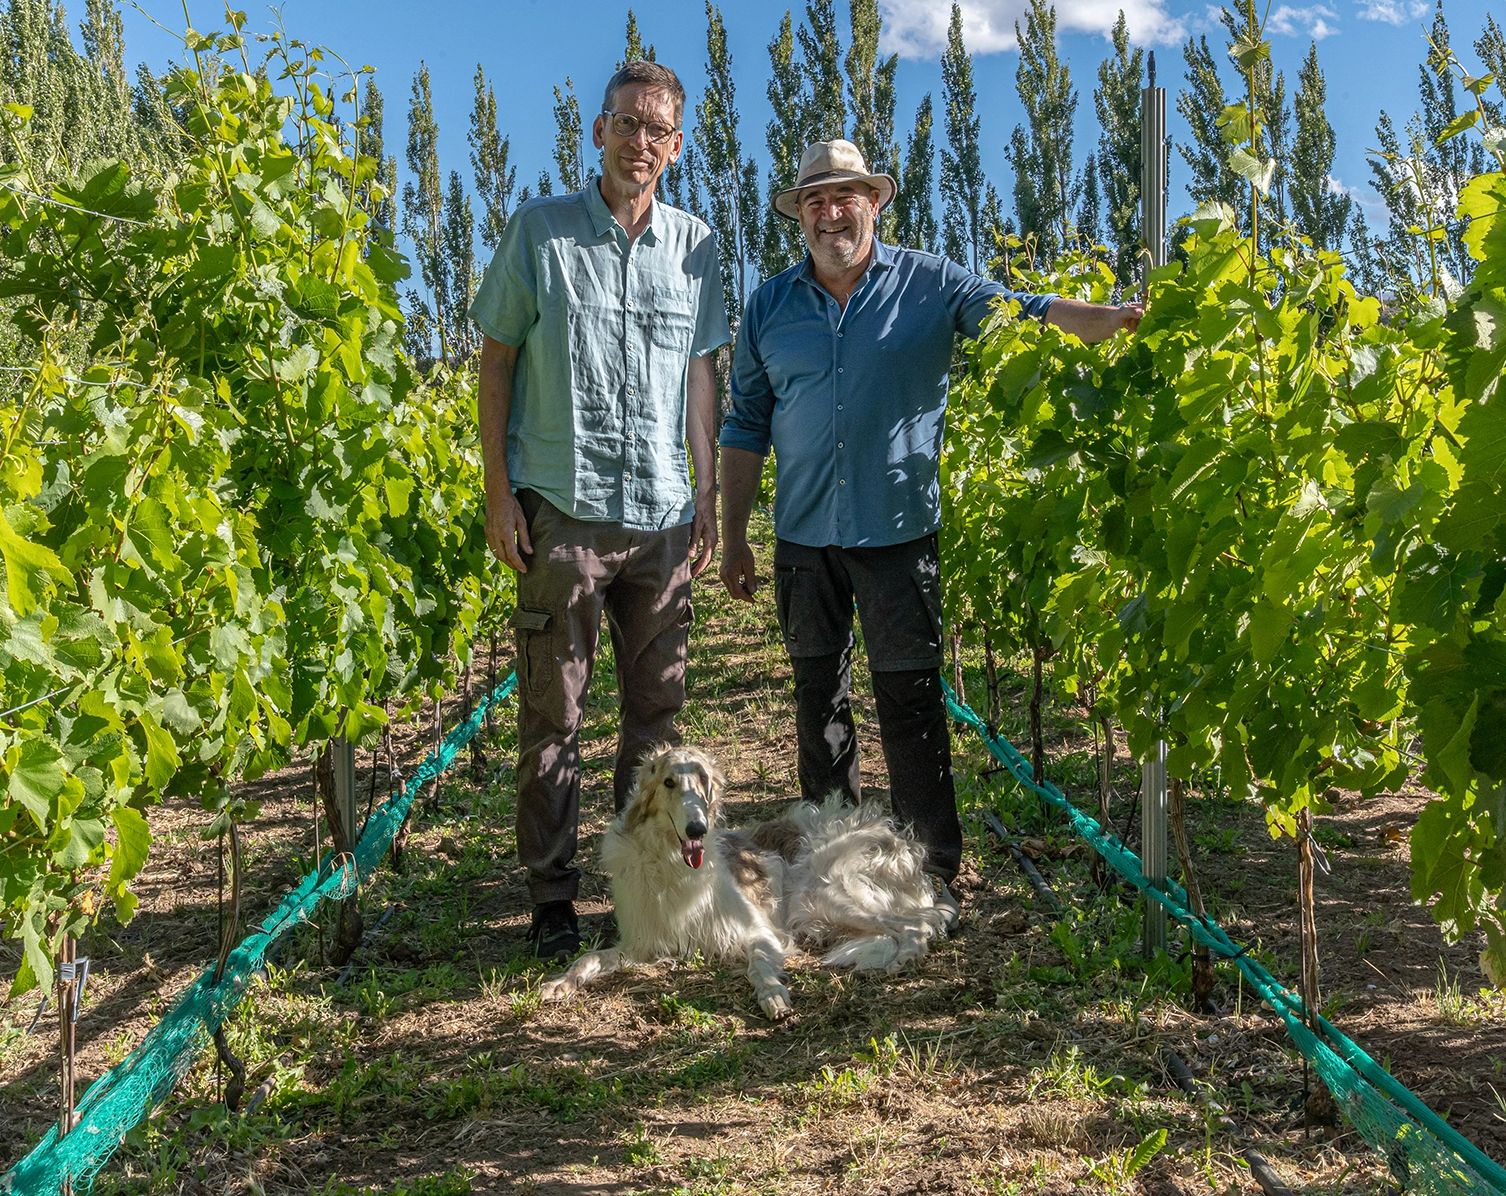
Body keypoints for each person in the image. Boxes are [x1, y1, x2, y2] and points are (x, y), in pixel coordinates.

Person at [717, 139, 1142, 910]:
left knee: (909, 698)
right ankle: (830, 860)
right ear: (799, 215)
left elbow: (1021, 315)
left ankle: (931, 869)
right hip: (803, 537)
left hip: (899, 531)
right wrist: (736, 532)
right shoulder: (769, 306)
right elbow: (745, 422)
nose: (829, 213)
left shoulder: (930, 283)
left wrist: (1107, 320)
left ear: (874, 203)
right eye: (814, 200)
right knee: (818, 699)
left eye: (844, 196)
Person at [472, 60, 730, 962]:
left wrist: (707, 499)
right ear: (598, 132)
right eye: (626, 123)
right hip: (564, 509)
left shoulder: (696, 247)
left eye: (657, 130)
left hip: (662, 513)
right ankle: (552, 899)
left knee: (658, 717)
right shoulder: (540, 232)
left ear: (676, 146)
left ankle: (641, 881)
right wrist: (498, 492)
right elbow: (496, 359)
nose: (639, 142)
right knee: (554, 715)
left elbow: (700, 380)